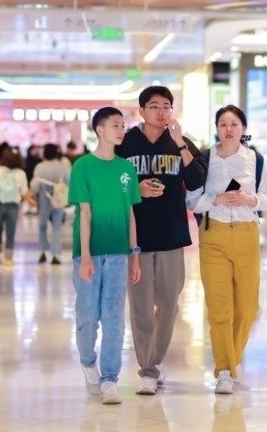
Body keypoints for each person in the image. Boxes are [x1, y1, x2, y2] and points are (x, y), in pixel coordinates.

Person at [115, 85, 207, 395]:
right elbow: (109, 182)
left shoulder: (180, 142)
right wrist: (135, 190)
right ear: (141, 111)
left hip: (171, 235)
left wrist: (180, 142)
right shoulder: (126, 142)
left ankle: (154, 360)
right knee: (141, 307)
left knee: (169, 303)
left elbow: (197, 180)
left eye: (166, 106)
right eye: (154, 106)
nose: (161, 112)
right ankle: (148, 370)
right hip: (136, 237)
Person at [185, 105, 267, 394]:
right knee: (219, 307)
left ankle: (231, 359)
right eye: (223, 124)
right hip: (214, 235)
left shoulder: (255, 159)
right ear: (216, 129)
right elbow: (192, 201)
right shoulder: (205, 159)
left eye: (234, 123)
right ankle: (224, 370)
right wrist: (217, 199)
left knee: (247, 307)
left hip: (247, 235)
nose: (229, 129)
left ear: (243, 128)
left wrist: (250, 199)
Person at [69, 107, 142, 405]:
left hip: (118, 253)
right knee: (88, 315)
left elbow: (130, 213)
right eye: (115, 125)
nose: (121, 130)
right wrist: (86, 256)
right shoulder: (82, 167)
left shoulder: (127, 169)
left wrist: (134, 254)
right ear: (100, 130)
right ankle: (89, 363)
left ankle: (110, 378)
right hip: (88, 252)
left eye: (123, 125)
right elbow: (85, 213)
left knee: (114, 317)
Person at [31, 143, 71, 265]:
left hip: (44, 199)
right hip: (58, 200)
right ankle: (56, 255)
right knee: (57, 227)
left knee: (42, 226)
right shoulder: (62, 167)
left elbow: (35, 186)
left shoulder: (39, 167)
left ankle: (42, 252)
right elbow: (68, 183)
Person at [0, 147, 31, 265]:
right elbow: (24, 191)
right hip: (13, 204)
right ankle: (9, 257)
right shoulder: (21, 173)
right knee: (10, 230)